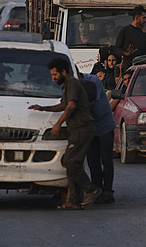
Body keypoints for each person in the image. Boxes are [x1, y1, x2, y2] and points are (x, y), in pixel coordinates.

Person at [28, 57, 100, 209]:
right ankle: (74, 201)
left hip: (82, 128)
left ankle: (92, 189)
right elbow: (63, 105)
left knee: (70, 162)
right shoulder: (67, 85)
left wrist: (58, 123)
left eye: (55, 75)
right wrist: (43, 108)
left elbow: (71, 105)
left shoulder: (72, 83)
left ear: (64, 72)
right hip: (77, 129)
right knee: (73, 163)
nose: (53, 78)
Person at [82, 72, 116, 204]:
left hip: (104, 125)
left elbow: (88, 102)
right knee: (93, 162)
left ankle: (108, 191)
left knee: (106, 160)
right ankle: (97, 190)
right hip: (90, 128)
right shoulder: (72, 83)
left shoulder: (93, 80)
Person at [114, 6, 146, 70]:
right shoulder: (124, 31)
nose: (145, 21)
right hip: (128, 67)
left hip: (142, 68)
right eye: (143, 18)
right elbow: (117, 49)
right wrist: (126, 53)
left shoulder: (144, 31)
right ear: (137, 18)